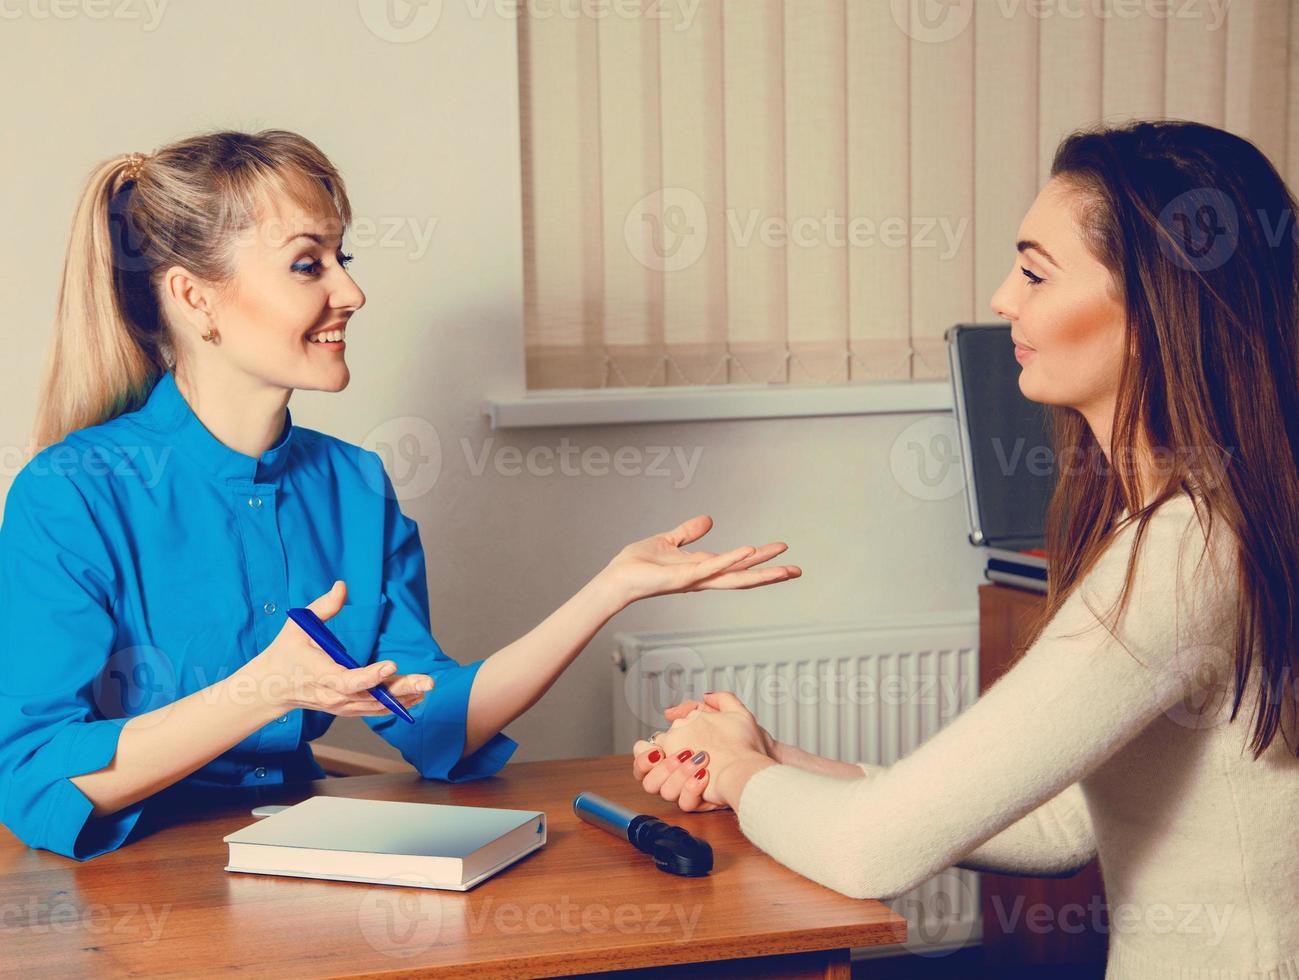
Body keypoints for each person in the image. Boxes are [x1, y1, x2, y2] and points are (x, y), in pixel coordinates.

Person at [0, 129, 801, 862]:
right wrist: (264, 689)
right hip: (133, 888)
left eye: (343, 259)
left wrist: (611, 588)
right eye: (309, 263)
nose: (350, 293)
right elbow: (33, 774)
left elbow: (433, 722)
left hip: (301, 868)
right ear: (194, 297)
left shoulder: (352, 484)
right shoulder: (70, 494)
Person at [630, 119, 1299, 976]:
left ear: (1152, 312)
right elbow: (1063, 825)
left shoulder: (1181, 554)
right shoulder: (1220, 521)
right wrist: (772, 761)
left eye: (1033, 272)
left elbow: (867, 854)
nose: (1000, 299)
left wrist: (731, 777)